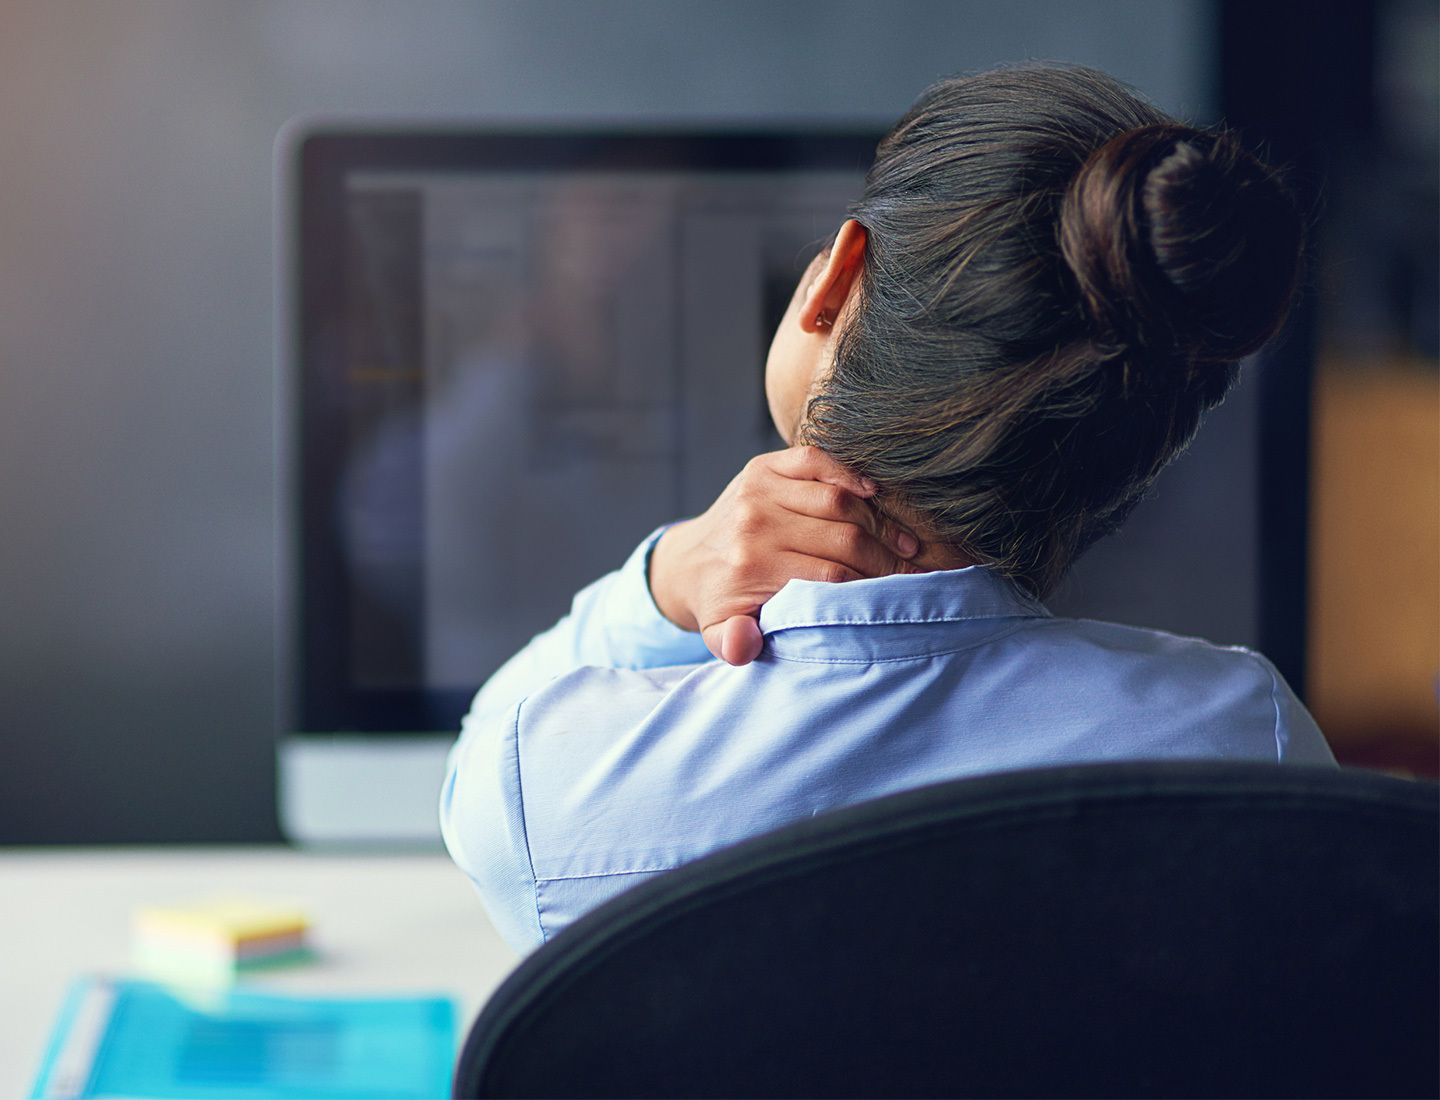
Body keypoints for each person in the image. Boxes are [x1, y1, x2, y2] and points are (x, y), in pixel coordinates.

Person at [441, 63, 1336, 954]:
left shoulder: (554, 793)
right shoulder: (1250, 742)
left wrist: (664, 578)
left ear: (835, 278)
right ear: (1142, 451)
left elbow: (484, 750)